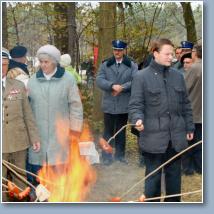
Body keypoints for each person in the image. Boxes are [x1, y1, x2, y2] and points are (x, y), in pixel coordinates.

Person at [129, 38, 194, 202]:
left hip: (176, 137)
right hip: (153, 137)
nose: (171, 57)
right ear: (155, 53)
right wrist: (137, 119)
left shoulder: (178, 76)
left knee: (174, 181)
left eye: (172, 53)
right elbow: (135, 105)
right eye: (167, 53)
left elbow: (186, 104)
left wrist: (189, 127)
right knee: (153, 182)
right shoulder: (141, 77)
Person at [27, 44, 83, 188]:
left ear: (55, 61)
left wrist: (75, 130)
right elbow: (27, 109)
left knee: (60, 173)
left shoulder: (68, 79)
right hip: (38, 135)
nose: (43, 65)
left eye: (46, 62)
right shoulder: (32, 81)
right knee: (38, 175)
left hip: (60, 134)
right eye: (41, 62)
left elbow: (76, 106)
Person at [2, 48, 40, 202]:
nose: (2, 68)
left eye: (4, 64)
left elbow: (28, 115)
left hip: (19, 140)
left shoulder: (17, 85)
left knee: (20, 177)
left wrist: (34, 137)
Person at [96, 40, 138, 165]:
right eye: (115, 50)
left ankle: (120, 156)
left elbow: (136, 80)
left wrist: (122, 87)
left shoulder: (131, 65)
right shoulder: (105, 64)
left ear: (124, 50)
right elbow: (99, 79)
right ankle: (107, 157)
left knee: (121, 131)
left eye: (119, 50)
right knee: (107, 131)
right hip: (109, 104)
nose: (117, 52)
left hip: (123, 105)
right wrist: (112, 86)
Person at [183, 44, 202, 175]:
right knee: (200, 141)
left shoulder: (194, 68)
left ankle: (188, 168)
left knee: (190, 142)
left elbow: (184, 88)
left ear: (195, 53)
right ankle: (199, 167)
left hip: (193, 111)